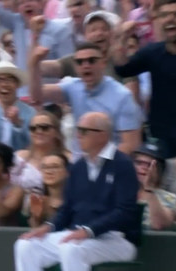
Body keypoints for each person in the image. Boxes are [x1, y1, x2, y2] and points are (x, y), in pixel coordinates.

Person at [14, 112, 140, 271]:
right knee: (26, 245)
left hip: (116, 239)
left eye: (84, 131)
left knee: (71, 248)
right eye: (77, 130)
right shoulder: (78, 167)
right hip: (77, 235)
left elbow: (125, 211)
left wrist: (89, 231)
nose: (78, 135)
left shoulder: (123, 165)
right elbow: (67, 208)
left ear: (103, 135)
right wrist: (48, 227)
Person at [30, 42, 144, 158]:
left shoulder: (122, 96)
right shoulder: (73, 87)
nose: (86, 65)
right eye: (80, 62)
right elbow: (37, 96)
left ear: (103, 63)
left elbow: (130, 145)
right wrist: (34, 64)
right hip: (80, 164)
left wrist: (100, 166)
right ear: (76, 67)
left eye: (91, 60)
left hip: (112, 164)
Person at [113, 0, 176, 158]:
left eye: (175, 14)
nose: (170, 19)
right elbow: (122, 68)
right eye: (164, 15)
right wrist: (123, 38)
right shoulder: (153, 52)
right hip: (163, 138)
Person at [11, 111, 70, 192]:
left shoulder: (70, 158)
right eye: (33, 128)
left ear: (56, 132)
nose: (38, 131)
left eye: (44, 128)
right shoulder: (19, 157)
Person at [132, 142, 176, 230]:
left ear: (160, 170)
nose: (144, 167)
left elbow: (159, 225)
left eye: (150, 164)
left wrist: (149, 189)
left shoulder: (171, 199)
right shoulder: (119, 193)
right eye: (139, 162)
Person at [28, 153, 69, 228]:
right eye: (45, 167)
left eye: (55, 167)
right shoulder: (38, 201)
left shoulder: (76, 201)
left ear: (67, 171)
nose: (49, 172)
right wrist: (36, 218)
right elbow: (34, 232)